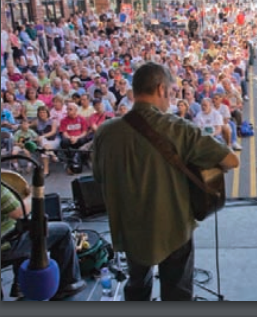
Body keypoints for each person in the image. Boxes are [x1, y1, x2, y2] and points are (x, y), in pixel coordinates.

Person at [93, 62, 239, 301]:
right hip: (172, 228)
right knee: (177, 292)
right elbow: (231, 160)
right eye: (171, 92)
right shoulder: (177, 128)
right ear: (161, 89)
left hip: (129, 228)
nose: (171, 98)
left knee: (137, 286)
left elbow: (99, 177)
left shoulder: (105, 132)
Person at [1, 185, 86, 300]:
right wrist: (32, 194)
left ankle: (19, 285)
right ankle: (67, 285)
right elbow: (20, 211)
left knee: (25, 228)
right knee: (63, 231)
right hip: (5, 245)